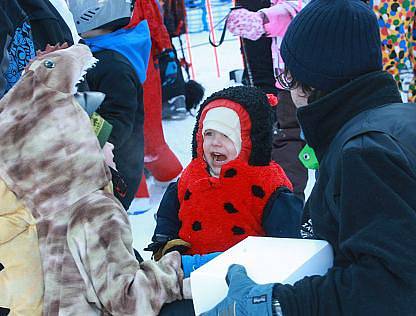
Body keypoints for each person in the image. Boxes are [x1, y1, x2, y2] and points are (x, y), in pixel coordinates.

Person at [203, 0, 416, 315]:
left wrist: (278, 304)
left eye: (287, 77)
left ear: (314, 83)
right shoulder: (399, 118)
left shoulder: (365, 154)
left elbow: (391, 285)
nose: (285, 89)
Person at [0, 43, 184, 315]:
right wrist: (173, 271)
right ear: (77, 151)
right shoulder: (94, 210)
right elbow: (127, 301)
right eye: (95, 138)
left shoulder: (33, 212)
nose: (111, 145)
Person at [146, 86, 303, 273]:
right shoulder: (191, 176)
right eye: (209, 133)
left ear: (249, 140)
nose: (215, 142)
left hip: (245, 278)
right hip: (190, 275)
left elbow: (286, 242)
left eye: (226, 135)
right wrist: (165, 242)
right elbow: (168, 215)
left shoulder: (268, 184)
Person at [68, 0, 150, 209]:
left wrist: (98, 144)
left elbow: (119, 117)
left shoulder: (112, 65)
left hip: (114, 169)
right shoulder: (99, 53)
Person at [227, 0, 309, 200]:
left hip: (315, 77)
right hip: (284, 80)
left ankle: (333, 208)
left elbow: (298, 9)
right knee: (287, 138)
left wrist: (262, 19)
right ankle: (288, 205)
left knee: (328, 142)